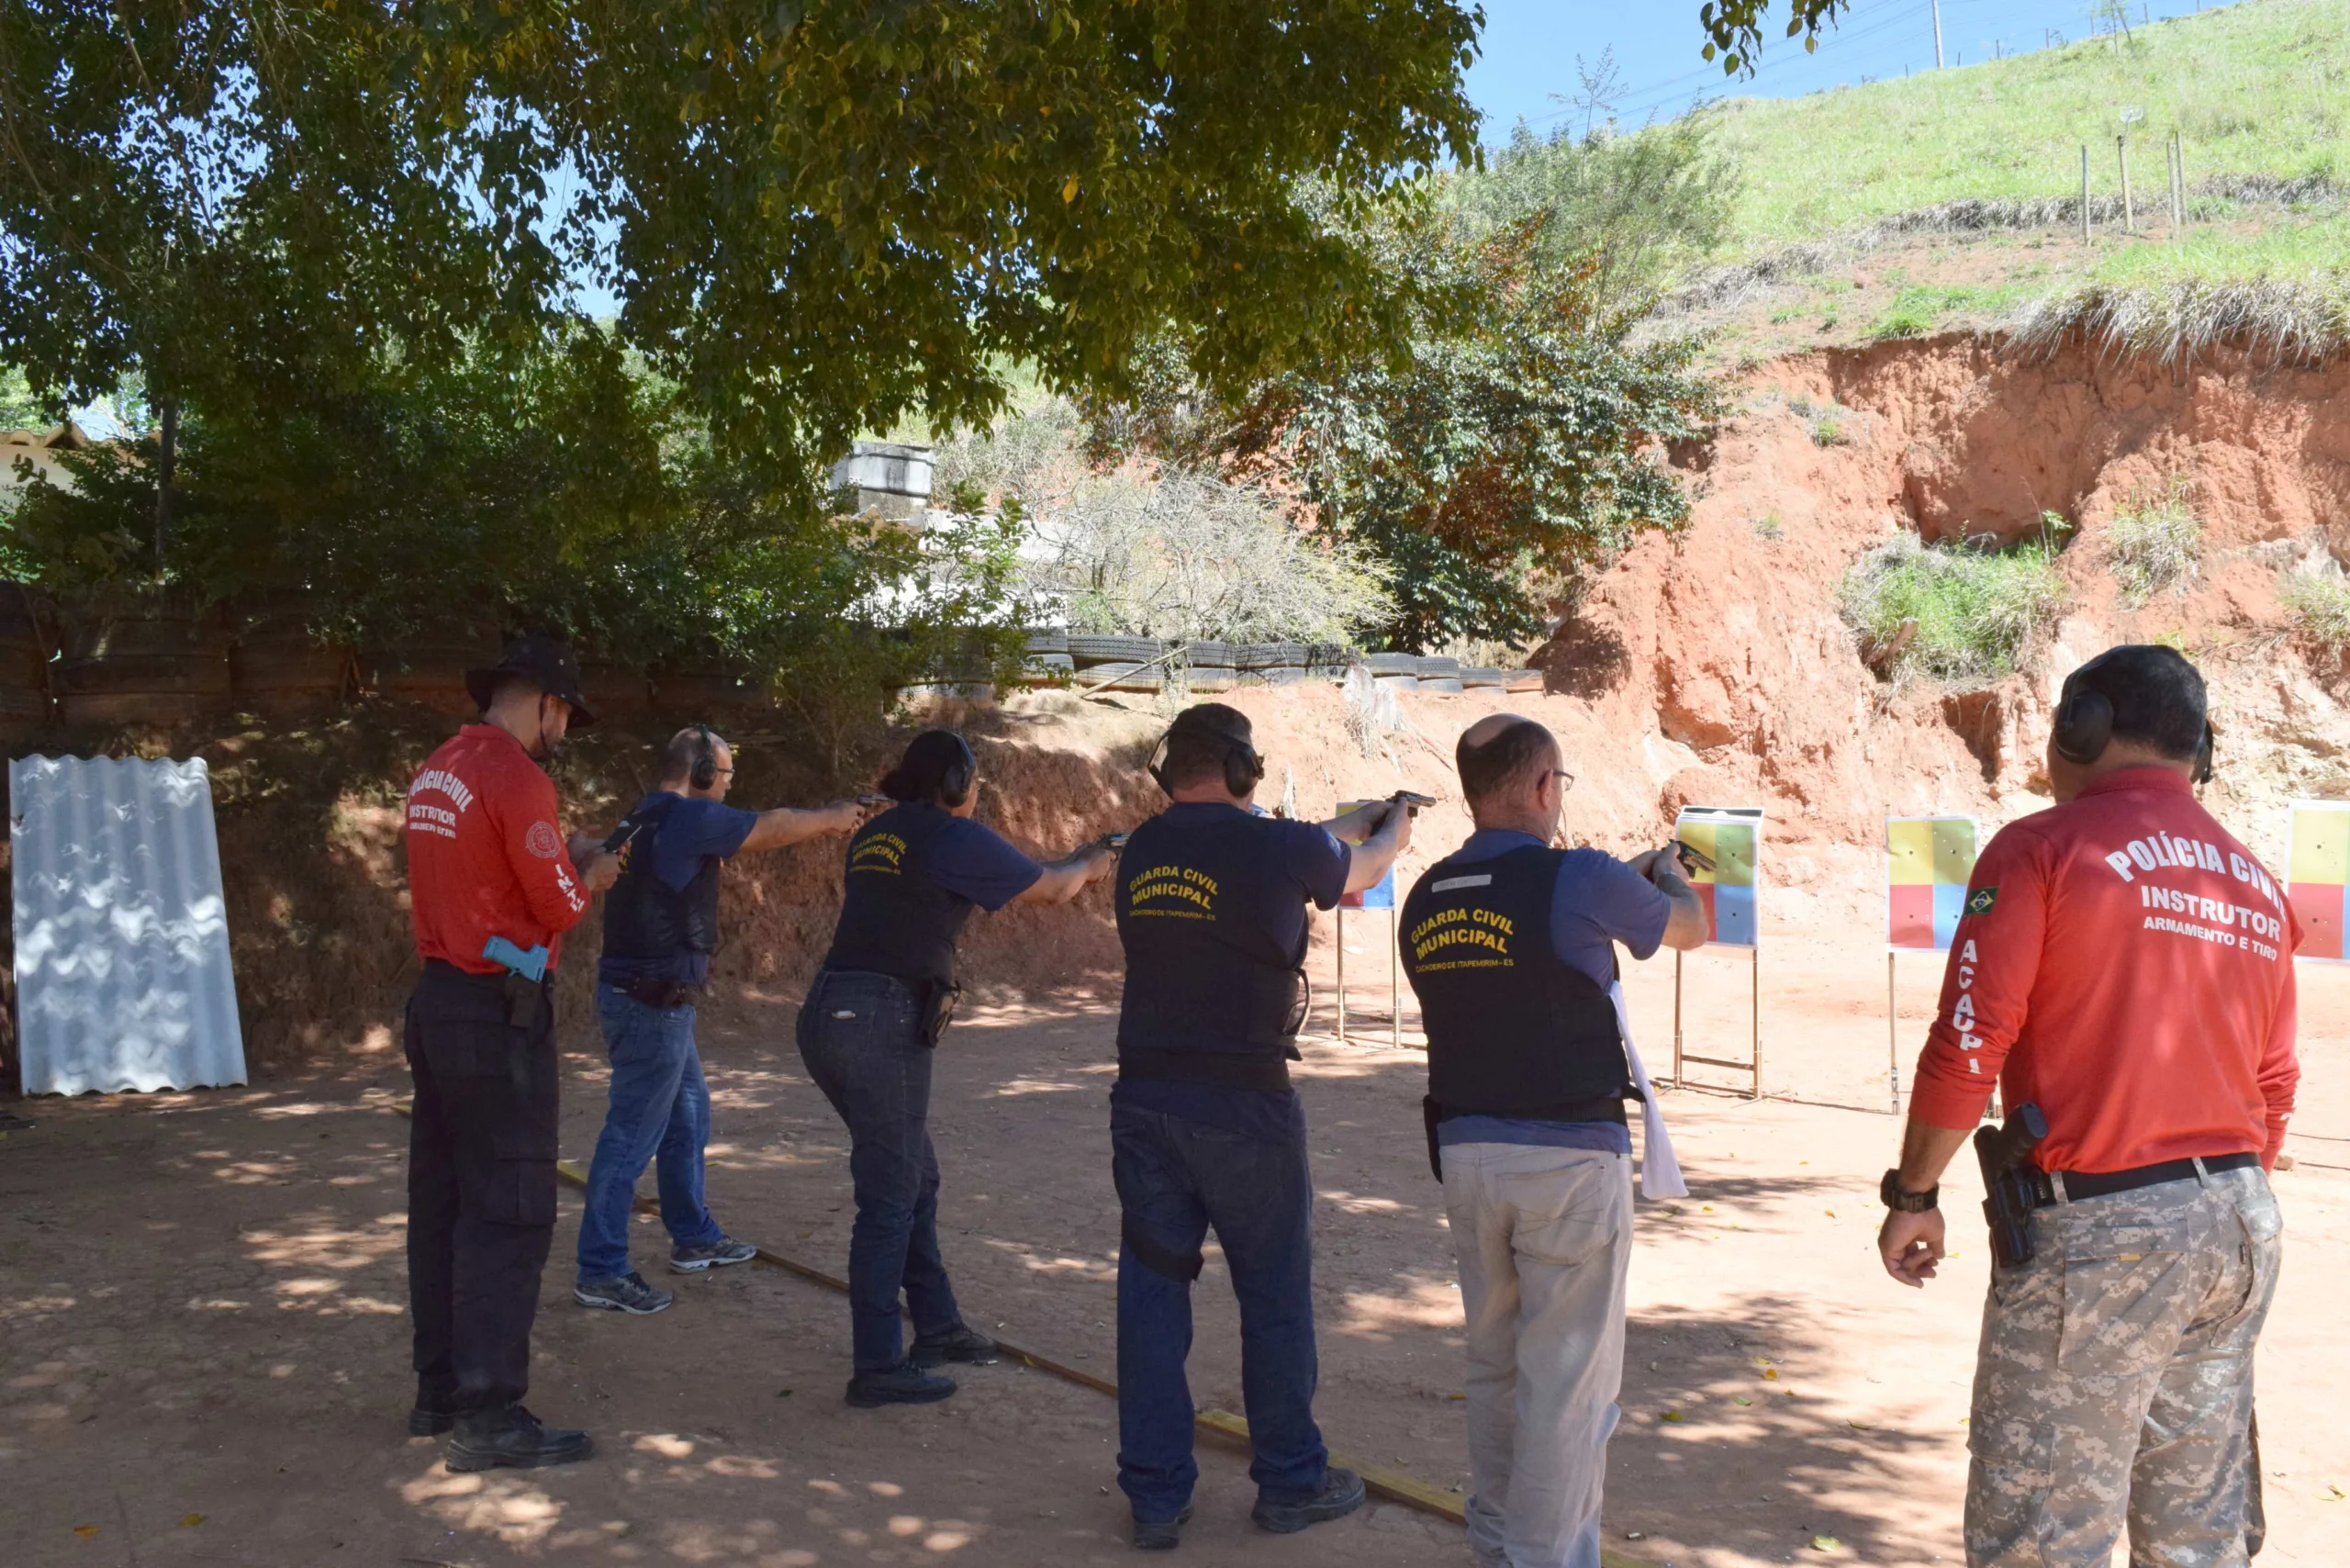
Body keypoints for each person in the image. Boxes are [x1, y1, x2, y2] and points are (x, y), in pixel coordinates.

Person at [1875, 645, 2299, 1568]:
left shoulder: (2042, 848)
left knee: (2038, 1535)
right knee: (2197, 1535)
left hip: (2101, 1228)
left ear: (2084, 728)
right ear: (2201, 750)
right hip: (2236, 1224)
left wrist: (1913, 1192)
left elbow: (1967, 1041)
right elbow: (2275, 1087)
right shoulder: (2256, 882)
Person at [1398, 714, 1704, 1568]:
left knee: (1496, 1369)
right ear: (1542, 786)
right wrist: (1668, 878)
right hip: (1567, 1155)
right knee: (1568, 1389)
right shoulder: (1584, 878)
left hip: (1465, 1151)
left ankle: (1499, 1545)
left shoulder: (1425, 897)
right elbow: (1685, 929)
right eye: (1558, 784)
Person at [1109, 702, 1413, 1551]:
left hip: (1145, 1100)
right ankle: (1289, 1480)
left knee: (1152, 1292)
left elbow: (1261, 845)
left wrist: (1345, 820)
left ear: (1172, 769)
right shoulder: (1280, 846)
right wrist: (1395, 828)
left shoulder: (1141, 849)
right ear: (1245, 769)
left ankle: (1157, 1496)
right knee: (1273, 1296)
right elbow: (1361, 867)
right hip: (1243, 1104)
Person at [798, 728, 1118, 1408]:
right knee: (890, 1191)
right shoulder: (950, 837)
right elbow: (1056, 888)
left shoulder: (876, 836)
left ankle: (937, 1326)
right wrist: (1093, 859)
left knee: (915, 1176)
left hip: (831, 1012)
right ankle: (878, 1363)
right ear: (954, 785)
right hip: (880, 1019)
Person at [400, 635, 622, 1472]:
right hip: (498, 1012)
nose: (563, 730)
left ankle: (440, 1392)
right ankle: (490, 1413)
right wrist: (589, 873)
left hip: (439, 1000)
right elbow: (558, 906)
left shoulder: (438, 767)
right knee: (511, 1209)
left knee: (445, 1204)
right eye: (566, 715)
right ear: (547, 703)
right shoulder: (519, 777)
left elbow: (485, 881)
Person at [572, 726, 871, 1315]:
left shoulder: (645, 812)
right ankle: (601, 1268)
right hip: (651, 1002)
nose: (730, 786)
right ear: (702, 773)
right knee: (631, 1136)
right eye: (727, 774)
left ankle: (694, 1236)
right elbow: (776, 825)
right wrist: (837, 816)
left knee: (687, 1115)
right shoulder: (685, 817)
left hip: (654, 1000)